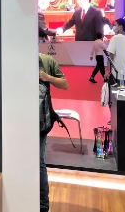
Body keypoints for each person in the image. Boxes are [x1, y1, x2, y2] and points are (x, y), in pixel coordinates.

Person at [39, 53, 69, 212]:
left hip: (39, 123)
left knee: (37, 162)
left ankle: (43, 206)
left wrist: (47, 77)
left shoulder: (47, 61)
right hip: (16, 121)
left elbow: (65, 84)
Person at [106, 19, 125, 86]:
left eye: (115, 25)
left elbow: (111, 56)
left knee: (114, 92)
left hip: (118, 74)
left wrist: (107, 71)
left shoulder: (115, 38)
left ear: (120, 27)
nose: (113, 27)